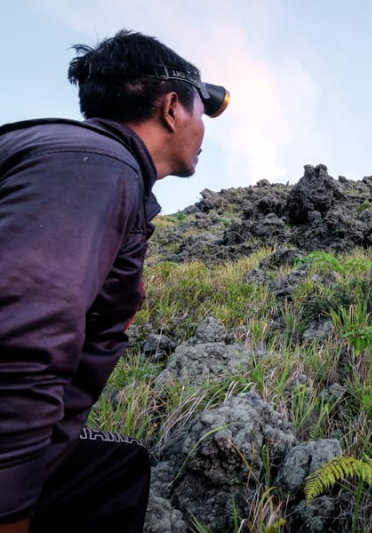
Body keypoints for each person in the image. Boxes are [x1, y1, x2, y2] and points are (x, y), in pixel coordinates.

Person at [0, 30, 229, 533]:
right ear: (172, 109)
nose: (204, 130)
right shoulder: (97, 166)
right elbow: (22, 344)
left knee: (119, 466)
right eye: (201, 110)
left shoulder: (73, 156)